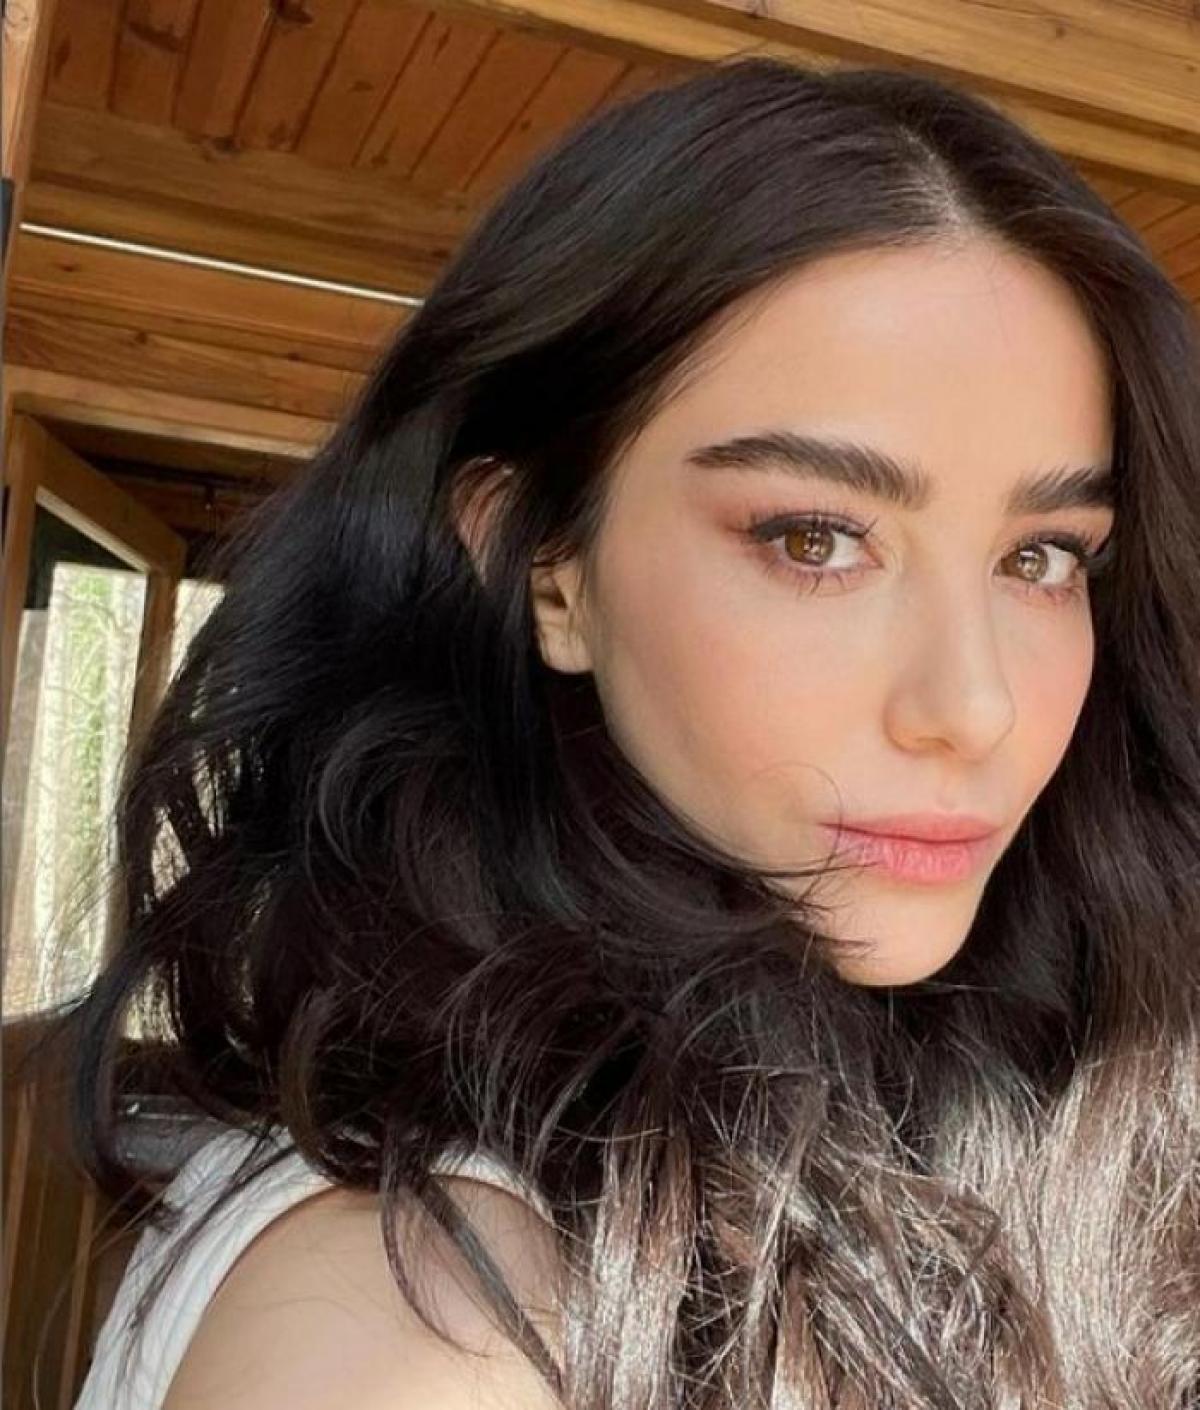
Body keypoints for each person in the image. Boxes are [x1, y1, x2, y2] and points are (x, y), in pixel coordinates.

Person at [51, 55, 1199, 1410]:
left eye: (1043, 556)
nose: (974, 707)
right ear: (546, 568)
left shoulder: (1050, 1067)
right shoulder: (425, 1325)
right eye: (815, 538)